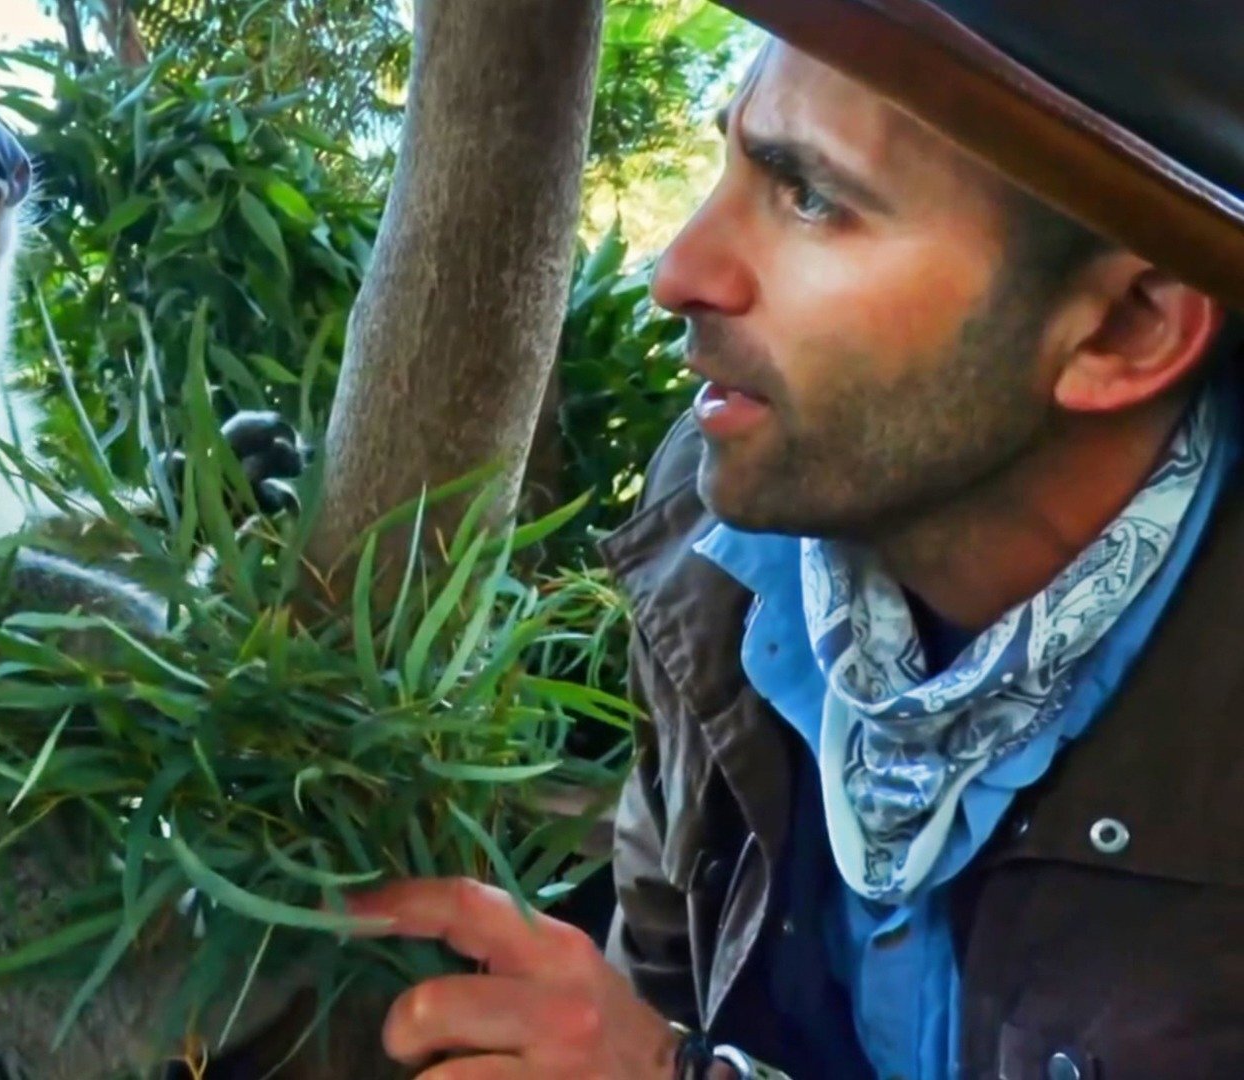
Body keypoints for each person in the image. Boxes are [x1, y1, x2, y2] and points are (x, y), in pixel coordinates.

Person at [340, 2, 1244, 1077]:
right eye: (729, 161)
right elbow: (660, 986)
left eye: (811, 196)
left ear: (1126, 328)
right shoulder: (723, 550)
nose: (678, 271)